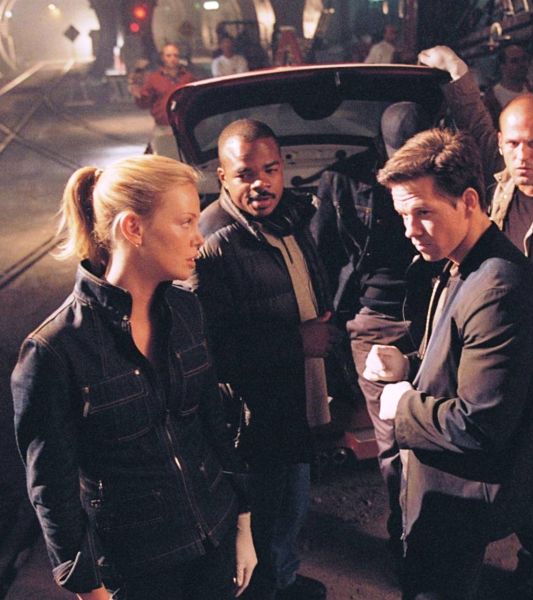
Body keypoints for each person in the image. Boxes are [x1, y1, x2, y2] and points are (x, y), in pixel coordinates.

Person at [11, 155, 257, 600]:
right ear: (133, 228)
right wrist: (89, 589)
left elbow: (214, 426)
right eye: (185, 222)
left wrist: (242, 522)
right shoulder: (55, 350)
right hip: (138, 570)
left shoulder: (187, 310)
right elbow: (52, 488)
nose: (199, 238)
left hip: (213, 539)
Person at [419, 45, 533, 600]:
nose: (523, 155)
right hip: (507, 366)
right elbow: (477, 126)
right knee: (516, 480)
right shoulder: (500, 189)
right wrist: (458, 75)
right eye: (513, 144)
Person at [373, 127, 533, 600]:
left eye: (423, 212)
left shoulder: (498, 287)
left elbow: (479, 423)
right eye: (403, 215)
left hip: (461, 497)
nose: (410, 230)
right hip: (451, 492)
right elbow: (465, 360)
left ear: (468, 201)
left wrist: (402, 406)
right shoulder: (463, 263)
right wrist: (408, 365)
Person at [193, 119, 333, 600]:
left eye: (270, 169)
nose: (261, 183)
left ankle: (283, 580)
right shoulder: (213, 241)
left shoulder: (289, 219)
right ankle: (267, 590)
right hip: (253, 414)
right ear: (222, 177)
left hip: (293, 397)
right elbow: (209, 351)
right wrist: (298, 341)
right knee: (263, 516)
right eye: (245, 173)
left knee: (292, 506)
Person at [312, 101, 439, 561]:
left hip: (437, 314)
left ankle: (439, 536)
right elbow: (323, 255)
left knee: (441, 430)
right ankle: (408, 539)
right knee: (395, 439)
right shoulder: (344, 180)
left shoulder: (444, 173)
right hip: (375, 322)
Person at [128, 43, 195, 158]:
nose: (172, 59)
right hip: (163, 128)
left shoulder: (188, 78)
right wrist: (138, 95)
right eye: (168, 55)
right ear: (162, 58)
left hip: (183, 128)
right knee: (162, 161)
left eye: (175, 55)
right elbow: (144, 102)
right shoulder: (154, 78)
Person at [483, 43, 533, 126]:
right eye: (514, 61)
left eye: (524, 59)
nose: (521, 64)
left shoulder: (532, 91)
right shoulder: (492, 98)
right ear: (502, 66)